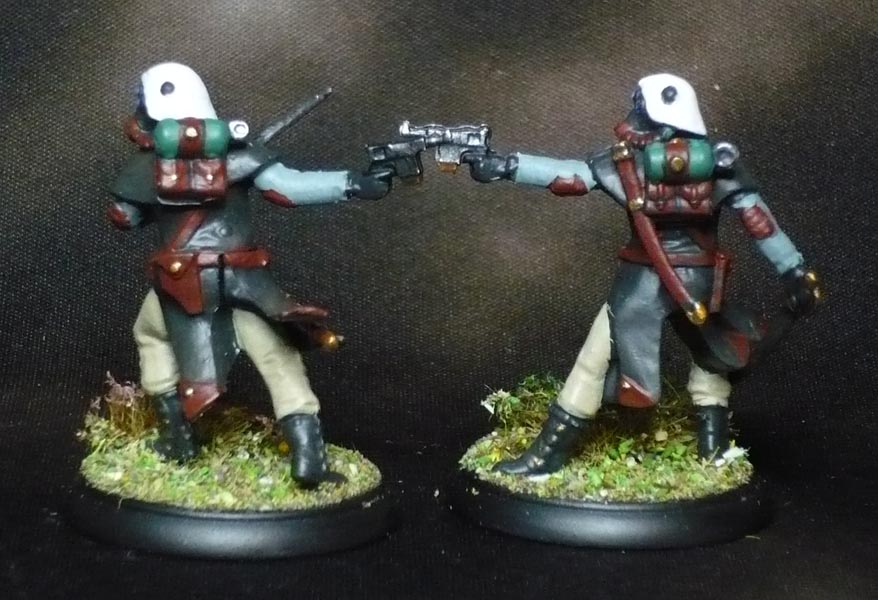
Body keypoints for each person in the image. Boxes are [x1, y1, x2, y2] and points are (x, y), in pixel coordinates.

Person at [460, 73, 821, 475]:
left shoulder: (644, 164)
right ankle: (713, 449)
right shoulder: (694, 165)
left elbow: (574, 175)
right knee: (710, 357)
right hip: (693, 286)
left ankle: (548, 457)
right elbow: (761, 225)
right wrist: (794, 269)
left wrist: (509, 166)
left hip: (649, 286)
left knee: (601, 362)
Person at [108, 62, 392, 486]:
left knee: (152, 336)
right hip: (242, 282)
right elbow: (289, 189)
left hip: (179, 284)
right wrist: (353, 182)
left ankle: (177, 438)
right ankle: (308, 458)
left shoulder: (144, 166)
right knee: (277, 357)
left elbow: (123, 217)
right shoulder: (240, 154)